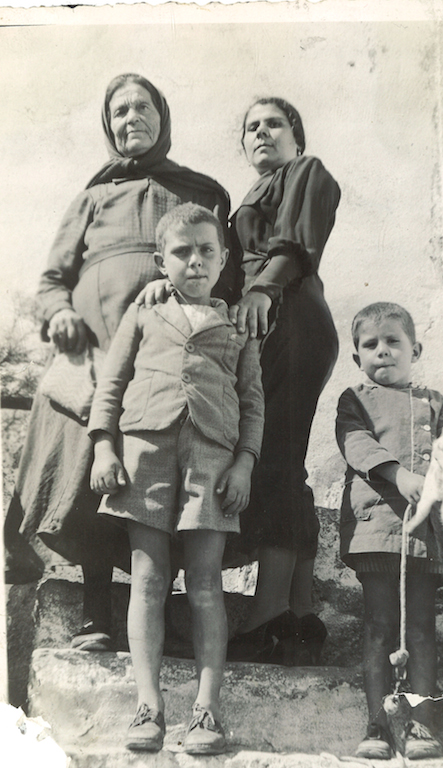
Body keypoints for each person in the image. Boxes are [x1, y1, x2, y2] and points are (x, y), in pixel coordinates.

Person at [4, 73, 233, 652]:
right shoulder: (91, 197)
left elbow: (215, 271)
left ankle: (163, 616)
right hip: (94, 356)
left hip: (164, 360)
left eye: (143, 107)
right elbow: (52, 281)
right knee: (93, 467)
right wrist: (60, 312)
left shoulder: (200, 191)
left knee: (162, 466)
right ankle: (97, 614)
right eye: (120, 111)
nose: (132, 118)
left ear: (163, 114)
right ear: (108, 125)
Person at [88, 203, 264, 754]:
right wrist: (103, 446)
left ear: (223, 259)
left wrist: (244, 462)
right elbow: (111, 384)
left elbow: (253, 403)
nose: (195, 261)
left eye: (207, 251)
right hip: (146, 453)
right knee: (148, 578)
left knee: (206, 583)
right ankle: (149, 705)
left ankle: (206, 710)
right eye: (182, 252)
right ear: (161, 261)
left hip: (212, 458)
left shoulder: (238, 327)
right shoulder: (144, 313)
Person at [226, 97, 341, 664]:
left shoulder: (304, 170)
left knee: (273, 455)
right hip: (265, 318)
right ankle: (300, 612)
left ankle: (266, 616)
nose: (262, 133)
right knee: (285, 460)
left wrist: (263, 289)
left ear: (297, 135)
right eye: (252, 127)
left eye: (274, 123)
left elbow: (295, 244)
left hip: (287, 312)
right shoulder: (248, 196)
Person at [335, 302, 443, 760]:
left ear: (416, 350)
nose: (382, 351)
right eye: (371, 345)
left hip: (423, 536)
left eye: (393, 342)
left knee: (421, 629)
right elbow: (355, 443)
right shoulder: (354, 400)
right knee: (380, 627)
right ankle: (378, 724)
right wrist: (399, 475)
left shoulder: (436, 403)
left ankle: (422, 724)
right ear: (358, 358)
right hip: (377, 531)